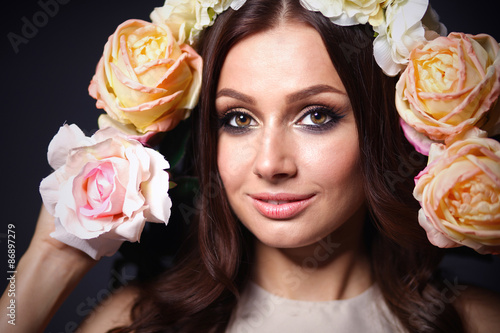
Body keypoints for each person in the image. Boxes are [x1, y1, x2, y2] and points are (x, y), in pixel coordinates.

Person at [2, 0, 500, 332]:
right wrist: (45, 263)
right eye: (238, 119)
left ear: (385, 124)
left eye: (316, 116)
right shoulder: (133, 322)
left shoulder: (477, 320)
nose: (270, 164)